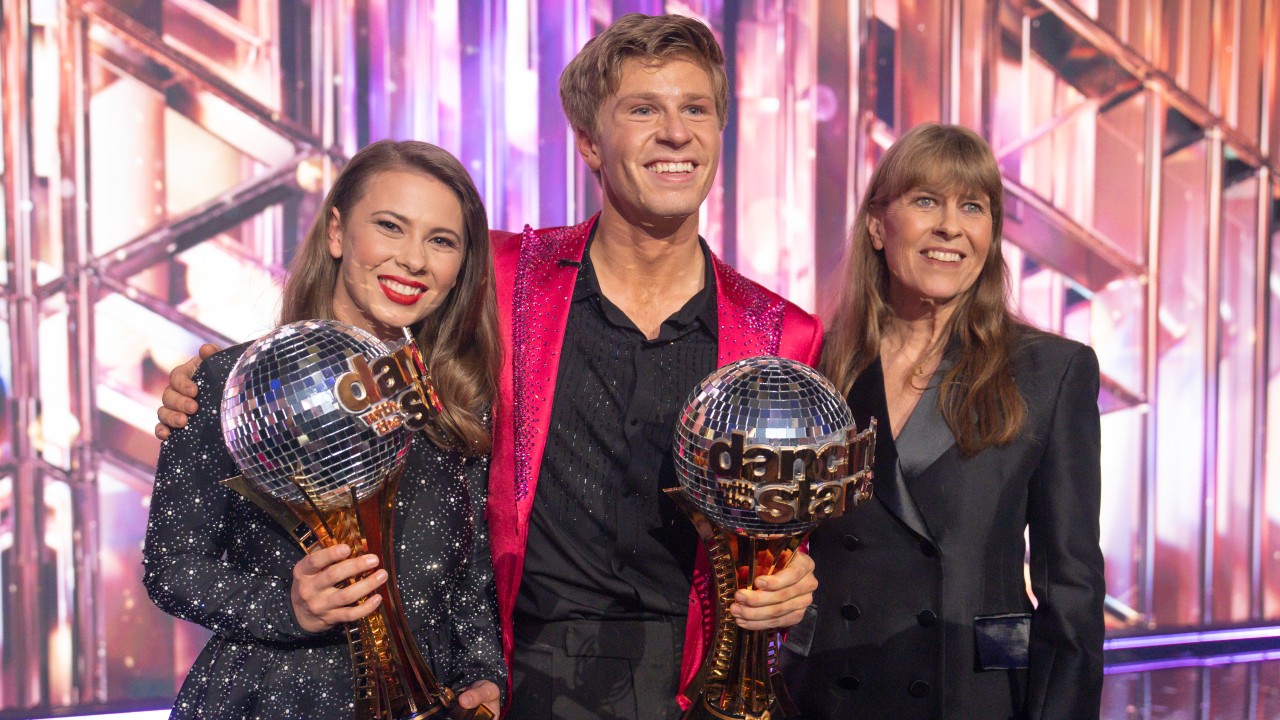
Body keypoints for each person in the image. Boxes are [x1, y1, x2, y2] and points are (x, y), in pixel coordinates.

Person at [156, 13, 821, 720]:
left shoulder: (783, 333)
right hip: (518, 673)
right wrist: (223, 383)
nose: (676, 132)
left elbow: (792, 532)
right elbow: (356, 329)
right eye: (644, 109)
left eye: (696, 109)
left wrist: (796, 576)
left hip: (691, 685)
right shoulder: (501, 278)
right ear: (590, 143)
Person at [143, 140, 506, 718]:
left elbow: (468, 574)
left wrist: (484, 676)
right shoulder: (226, 385)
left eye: (441, 241)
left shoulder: (457, 403)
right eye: (390, 226)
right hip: (269, 699)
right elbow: (173, 567)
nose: (414, 260)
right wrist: (288, 607)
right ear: (337, 232)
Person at [781, 123, 1105, 719]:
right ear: (878, 227)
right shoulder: (818, 367)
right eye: (926, 200)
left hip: (975, 691)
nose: (950, 226)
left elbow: (1072, 593)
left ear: (991, 233)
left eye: (973, 207)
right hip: (828, 689)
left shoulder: (1051, 371)